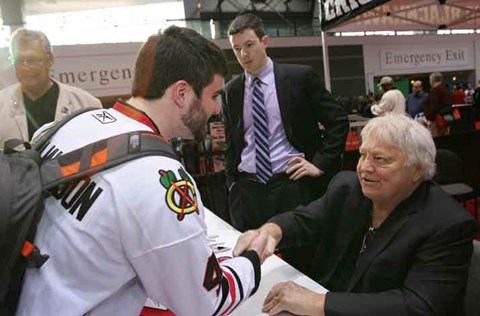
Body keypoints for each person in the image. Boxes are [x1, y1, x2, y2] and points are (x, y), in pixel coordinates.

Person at [16, 26, 266, 316]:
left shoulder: (65, 126)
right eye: (213, 96)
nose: (216, 110)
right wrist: (251, 259)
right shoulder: (159, 177)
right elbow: (204, 303)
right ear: (182, 93)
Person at [234, 113, 478, 316]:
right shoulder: (348, 188)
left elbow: (416, 305)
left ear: (416, 170)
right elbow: (304, 220)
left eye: (380, 159)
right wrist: (269, 232)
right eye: (363, 155)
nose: (364, 168)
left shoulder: (447, 224)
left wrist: (318, 303)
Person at [222, 13, 349, 233]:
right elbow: (232, 142)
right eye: (236, 48)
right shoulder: (231, 92)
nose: (243, 54)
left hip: (291, 186)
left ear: (265, 41)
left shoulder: (300, 78)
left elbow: (337, 121)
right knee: (253, 260)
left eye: (249, 45)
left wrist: (319, 163)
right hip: (247, 191)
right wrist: (233, 182)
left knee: (300, 260)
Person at [0, 28, 102, 148]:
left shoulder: (86, 104)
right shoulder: (2, 103)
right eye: (19, 61)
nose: (25, 67)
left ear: (50, 59)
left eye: (32, 60)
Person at [424, 72, 455, 137]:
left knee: (436, 140)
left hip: (437, 122)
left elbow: (433, 107)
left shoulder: (435, 91)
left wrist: (429, 119)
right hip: (448, 119)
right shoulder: (447, 89)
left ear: (432, 80)